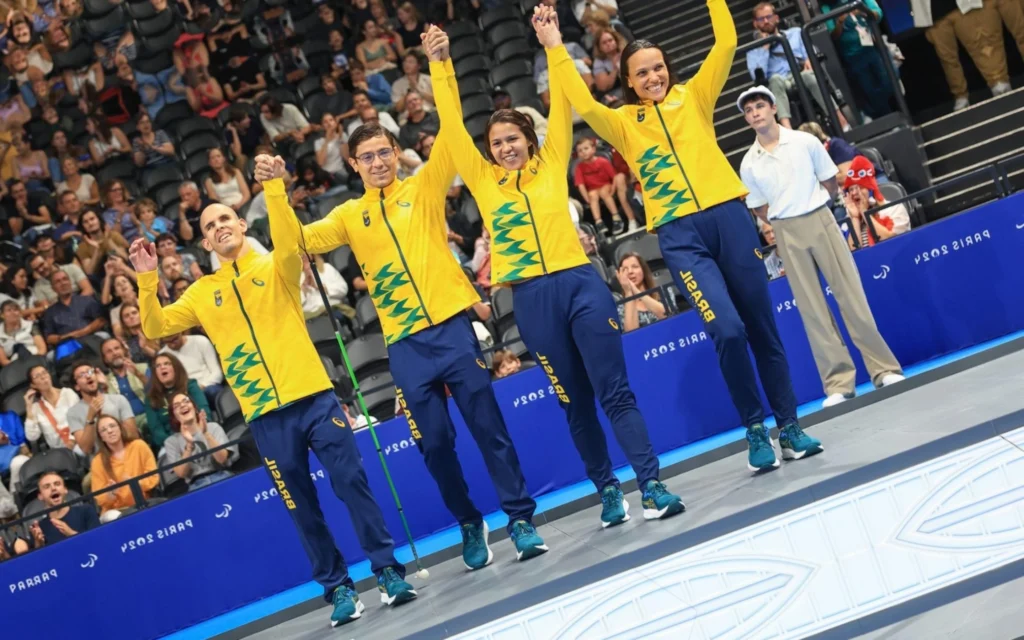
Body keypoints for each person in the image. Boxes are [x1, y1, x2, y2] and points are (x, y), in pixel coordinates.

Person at [259, 26, 549, 567]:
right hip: (406, 349)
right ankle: (470, 524)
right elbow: (294, 240)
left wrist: (439, 64)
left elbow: (453, 131)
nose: (377, 162)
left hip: (452, 329)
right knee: (434, 446)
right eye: (365, 157)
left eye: (383, 152)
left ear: (396, 152)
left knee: (489, 430)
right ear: (353, 165)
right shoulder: (349, 215)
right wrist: (277, 191)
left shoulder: (425, 186)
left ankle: (521, 519)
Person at [547, 0, 822, 472]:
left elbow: (728, 41)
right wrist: (555, 46)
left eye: (658, 68)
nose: (653, 77)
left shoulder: (693, 97)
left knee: (762, 328)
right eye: (641, 72)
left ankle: (789, 427)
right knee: (727, 329)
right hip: (679, 236)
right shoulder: (621, 124)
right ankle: (755, 427)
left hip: (730, 221)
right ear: (628, 80)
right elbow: (582, 100)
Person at [432, 16, 682, 527]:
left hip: (580, 284)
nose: (505, 148)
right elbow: (452, 129)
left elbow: (564, 103)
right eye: (497, 142)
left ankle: (651, 483)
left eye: (513, 139)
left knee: (615, 391)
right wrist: (440, 67)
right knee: (576, 403)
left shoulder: (552, 162)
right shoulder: (483, 181)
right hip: (531, 300)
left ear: (529, 139)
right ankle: (609, 491)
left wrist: (553, 46)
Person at [129, 195, 414, 623]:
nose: (219, 226)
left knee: (352, 484)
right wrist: (147, 279)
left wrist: (275, 190)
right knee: (301, 507)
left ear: (242, 225)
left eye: (225, 218)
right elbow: (153, 327)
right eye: (209, 226)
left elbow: (286, 235)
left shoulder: (277, 265)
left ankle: (388, 571)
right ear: (204, 242)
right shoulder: (201, 294)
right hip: (265, 416)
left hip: (316, 398)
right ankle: (338, 589)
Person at [738, 86, 905, 410]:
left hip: (819, 217)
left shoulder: (805, 141)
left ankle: (883, 369)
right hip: (786, 230)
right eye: (749, 110)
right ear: (747, 119)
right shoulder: (749, 163)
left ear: (774, 107)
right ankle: (839, 384)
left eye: (760, 105)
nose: (755, 112)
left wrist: (814, 204)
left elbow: (830, 181)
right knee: (812, 310)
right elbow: (759, 207)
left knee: (851, 295)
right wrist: (782, 216)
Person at [746, 2, 849, 130]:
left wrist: (808, 59)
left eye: (769, 17)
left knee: (808, 76)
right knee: (775, 79)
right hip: (781, 83)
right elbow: (757, 76)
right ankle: (787, 129)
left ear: (776, 18)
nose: (766, 21)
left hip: (800, 74)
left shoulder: (795, 33)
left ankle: (840, 120)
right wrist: (764, 49)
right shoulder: (752, 51)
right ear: (755, 24)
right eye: (761, 19)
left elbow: (811, 52)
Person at [89, 414, 159, 521]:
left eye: (112, 426)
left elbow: (154, 478)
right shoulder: (97, 462)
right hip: (116, 511)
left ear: (120, 428)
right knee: (112, 517)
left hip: (144, 502)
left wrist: (136, 483)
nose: (109, 431)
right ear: (101, 437)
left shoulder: (139, 446)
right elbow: (100, 499)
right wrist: (111, 494)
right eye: (104, 430)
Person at [164, 393, 236, 490]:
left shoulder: (213, 427)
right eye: (176, 406)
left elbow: (222, 459)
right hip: (196, 486)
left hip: (223, 476)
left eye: (186, 401)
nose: (182, 405)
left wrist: (206, 433)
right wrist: (189, 446)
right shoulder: (171, 442)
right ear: (174, 417)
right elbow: (181, 473)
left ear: (195, 408)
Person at [67, 362, 139, 456]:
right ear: (76, 386)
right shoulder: (73, 413)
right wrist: (90, 419)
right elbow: (86, 449)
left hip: (128, 453)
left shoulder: (119, 399)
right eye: (82, 375)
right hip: (100, 460)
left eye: (90, 372)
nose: (88, 376)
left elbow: (133, 434)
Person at [842, 155, 911, 249]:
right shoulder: (848, 221)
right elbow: (853, 255)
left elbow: (891, 243)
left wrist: (865, 213)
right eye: (850, 190)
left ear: (871, 190)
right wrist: (855, 218)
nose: (854, 193)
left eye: (860, 188)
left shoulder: (894, 209)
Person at [573, 137, 635, 234]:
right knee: (592, 195)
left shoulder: (603, 162)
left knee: (603, 192)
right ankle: (599, 222)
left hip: (606, 186)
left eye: (586, 148)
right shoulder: (579, 168)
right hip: (593, 190)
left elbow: (614, 177)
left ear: (593, 149)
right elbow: (581, 185)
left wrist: (613, 190)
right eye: (580, 151)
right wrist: (587, 199)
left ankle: (616, 217)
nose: (583, 152)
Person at [39, 270, 107, 349]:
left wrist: (83, 332)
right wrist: (67, 337)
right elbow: (49, 338)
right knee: (50, 356)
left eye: (65, 279)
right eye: (58, 282)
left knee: (104, 336)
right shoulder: (50, 312)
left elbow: (101, 320)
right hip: (68, 345)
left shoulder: (86, 300)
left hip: (91, 337)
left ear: (70, 282)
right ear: (53, 288)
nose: (63, 283)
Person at [29, 471, 100, 546]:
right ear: (40, 496)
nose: (53, 488)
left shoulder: (86, 511)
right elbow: (40, 557)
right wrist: (39, 545)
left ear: (65, 490)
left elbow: (98, 542)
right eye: (47, 487)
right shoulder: (38, 529)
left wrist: (71, 534)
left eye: (57, 484)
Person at [23, 365, 80, 451]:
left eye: (44, 373)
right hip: (59, 453)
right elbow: (32, 436)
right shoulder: (36, 408)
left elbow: (80, 419)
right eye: (37, 376)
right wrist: (28, 407)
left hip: (79, 442)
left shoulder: (68, 394)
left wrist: (72, 439)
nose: (43, 377)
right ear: (33, 385)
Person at [159, 332, 225, 405]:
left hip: (208, 386)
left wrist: (201, 386)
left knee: (212, 392)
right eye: (168, 342)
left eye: (174, 339)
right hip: (185, 394)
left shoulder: (200, 341)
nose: (172, 344)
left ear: (180, 332)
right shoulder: (163, 356)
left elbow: (217, 373)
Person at [101, 337, 150, 429]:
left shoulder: (142, 368)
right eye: (109, 351)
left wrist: (138, 374)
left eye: (117, 348)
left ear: (124, 350)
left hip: (149, 416)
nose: (114, 353)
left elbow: (156, 390)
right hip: (125, 426)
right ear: (105, 359)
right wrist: (104, 388)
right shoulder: (104, 381)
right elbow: (106, 411)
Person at [616, 252, 669, 331]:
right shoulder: (621, 307)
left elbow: (667, 316)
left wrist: (637, 292)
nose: (630, 272)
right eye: (625, 269)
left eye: (635, 267)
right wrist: (629, 292)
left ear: (643, 270)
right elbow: (631, 333)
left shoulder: (663, 291)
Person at [0, 300, 47, 365]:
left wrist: (34, 362)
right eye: (9, 310)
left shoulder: (30, 325)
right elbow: (4, 361)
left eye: (15, 310)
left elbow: (42, 349)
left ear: (20, 313)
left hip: (36, 358)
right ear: (2, 315)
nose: (13, 313)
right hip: (14, 364)